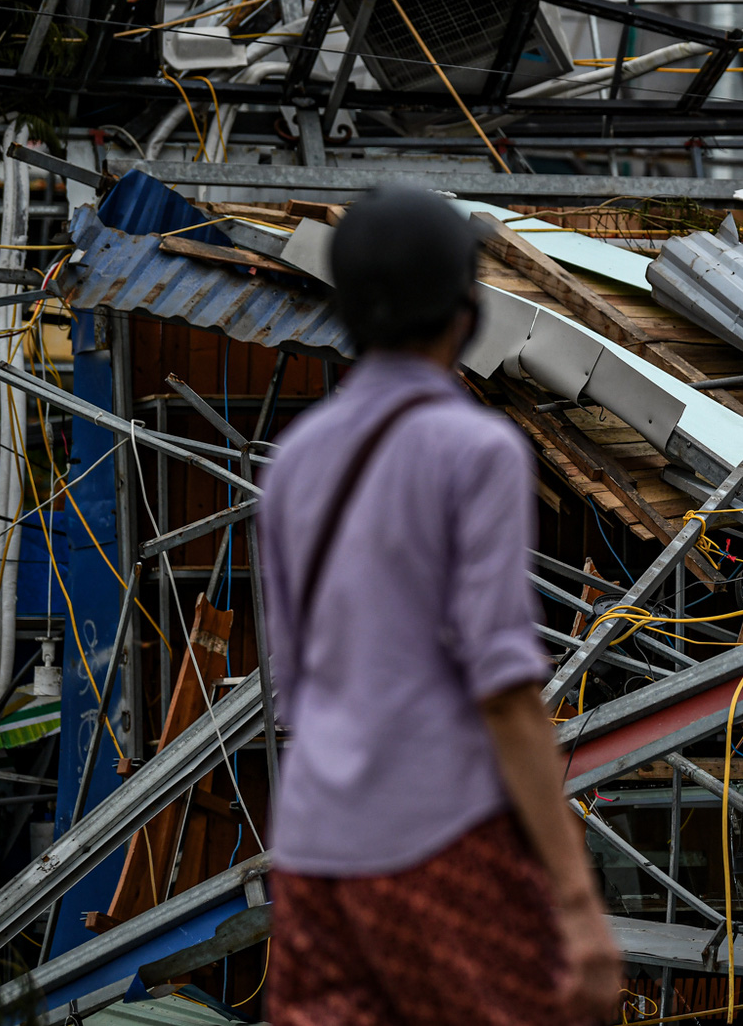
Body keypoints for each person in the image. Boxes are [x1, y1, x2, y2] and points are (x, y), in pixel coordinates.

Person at [259, 185, 620, 1026]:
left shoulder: (296, 458)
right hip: (434, 840)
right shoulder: (473, 447)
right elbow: (501, 682)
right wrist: (575, 901)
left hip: (312, 854)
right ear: (466, 308)